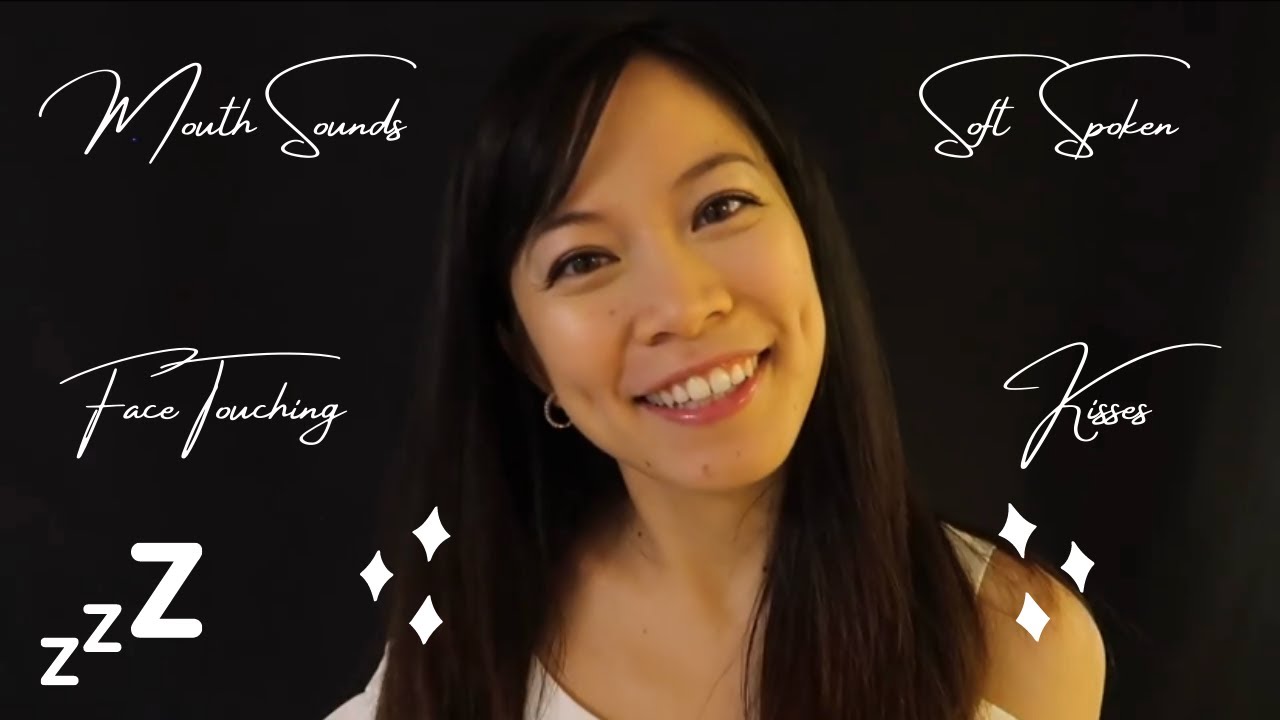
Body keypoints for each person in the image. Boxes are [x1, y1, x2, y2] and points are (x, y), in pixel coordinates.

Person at [328, 14, 1106, 720]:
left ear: (808, 232)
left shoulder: (1018, 639)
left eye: (720, 208)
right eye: (584, 260)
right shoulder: (457, 654)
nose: (684, 306)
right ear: (528, 356)